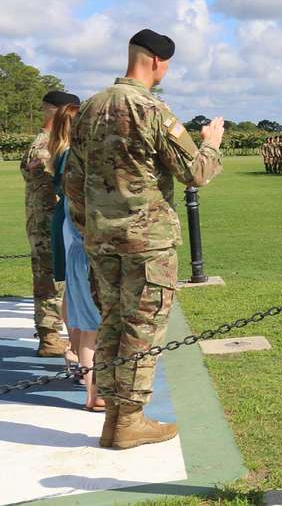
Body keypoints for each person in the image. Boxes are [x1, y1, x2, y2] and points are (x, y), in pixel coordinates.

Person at [65, 28, 224, 450]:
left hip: (101, 241)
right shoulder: (153, 110)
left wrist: (90, 229)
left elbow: (73, 182)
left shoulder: (91, 108)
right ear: (156, 62)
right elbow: (196, 173)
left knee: (113, 323)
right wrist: (211, 144)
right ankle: (129, 419)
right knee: (142, 327)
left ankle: (114, 417)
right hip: (146, 242)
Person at [46, 94, 105, 411]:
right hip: (84, 241)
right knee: (92, 319)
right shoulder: (75, 156)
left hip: (74, 237)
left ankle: (90, 386)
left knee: (83, 313)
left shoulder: (65, 154)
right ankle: (94, 389)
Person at [21, 91, 76, 356]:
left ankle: (52, 334)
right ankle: (49, 338)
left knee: (55, 280)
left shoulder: (47, 142)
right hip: (46, 223)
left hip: (47, 221)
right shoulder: (46, 144)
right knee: (49, 281)